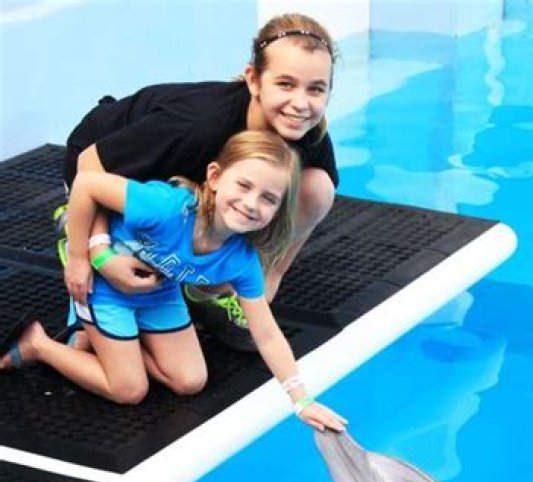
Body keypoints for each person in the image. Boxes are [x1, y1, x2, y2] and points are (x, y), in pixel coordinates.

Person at [0, 130, 347, 433]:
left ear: (278, 209)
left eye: (268, 198)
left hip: (158, 291)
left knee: (189, 381)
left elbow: (267, 334)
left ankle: (103, 340)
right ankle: (38, 345)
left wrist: (301, 400)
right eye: (243, 185)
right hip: (104, 281)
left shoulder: (241, 261)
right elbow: (87, 184)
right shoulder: (168, 207)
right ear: (214, 176)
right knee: (128, 388)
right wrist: (83, 257)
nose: (250, 204)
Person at [59, 12, 338, 345]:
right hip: (104, 171)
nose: (301, 104)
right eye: (285, 84)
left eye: (316, 89)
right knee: (113, 327)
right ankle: (71, 227)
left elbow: (312, 197)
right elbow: (90, 165)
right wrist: (96, 252)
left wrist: (266, 279)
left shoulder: (307, 129)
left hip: (187, 188)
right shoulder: (198, 125)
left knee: (316, 189)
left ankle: (219, 290)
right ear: (253, 80)